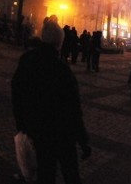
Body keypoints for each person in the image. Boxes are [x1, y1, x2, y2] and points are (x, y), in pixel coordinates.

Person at [11, 35, 91, 184]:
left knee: (46, 172)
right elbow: (73, 107)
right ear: (59, 44)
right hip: (63, 133)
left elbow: (17, 93)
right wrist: (83, 140)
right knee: (70, 173)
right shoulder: (62, 68)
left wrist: (21, 124)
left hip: (39, 130)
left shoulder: (27, 61)